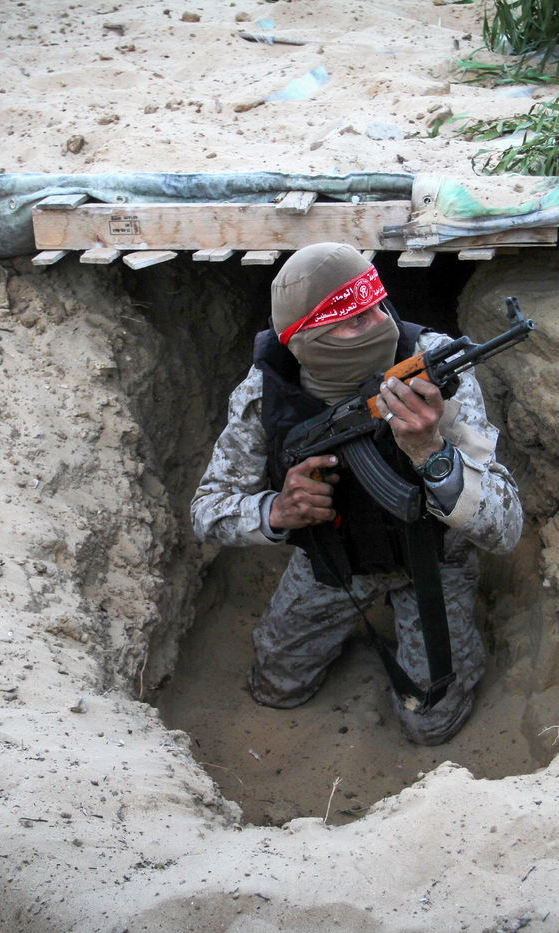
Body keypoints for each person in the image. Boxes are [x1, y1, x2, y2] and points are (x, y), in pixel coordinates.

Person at [191, 242, 523, 745]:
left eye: (377, 308)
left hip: (434, 560)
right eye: (350, 321)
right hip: (333, 560)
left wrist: (430, 450)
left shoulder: (433, 367)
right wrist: (279, 510)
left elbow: (505, 527)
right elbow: (207, 510)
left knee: (430, 725)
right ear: (303, 338)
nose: (376, 327)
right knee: (276, 688)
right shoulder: (267, 393)